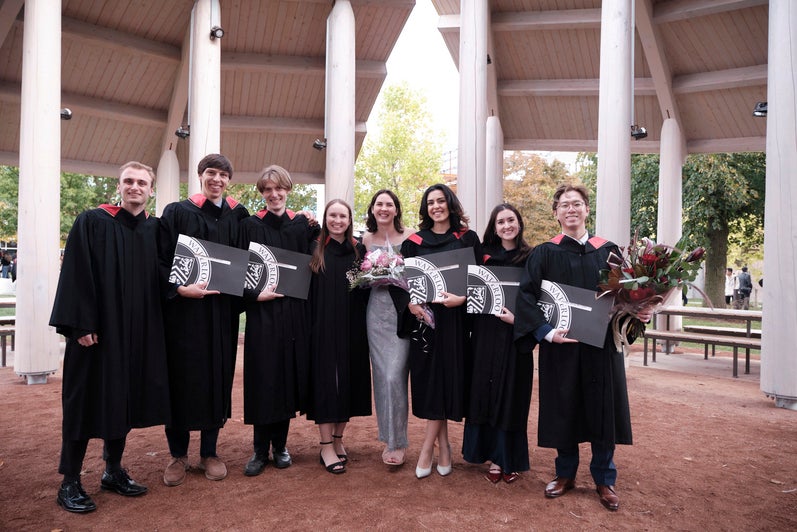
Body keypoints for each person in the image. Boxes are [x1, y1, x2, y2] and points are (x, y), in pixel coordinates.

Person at [514, 184, 652, 512]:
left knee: (603, 407)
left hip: (601, 346)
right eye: (564, 205)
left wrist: (640, 308)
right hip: (561, 346)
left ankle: (604, 478)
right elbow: (526, 297)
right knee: (564, 406)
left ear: (587, 209)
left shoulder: (609, 251)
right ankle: (565, 474)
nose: (571, 210)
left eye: (577, 204)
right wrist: (546, 333)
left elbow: (626, 296)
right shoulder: (544, 252)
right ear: (556, 213)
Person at [49, 161, 170, 513]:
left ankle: (112, 471)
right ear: (119, 186)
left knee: (124, 399)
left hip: (138, 334)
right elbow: (75, 272)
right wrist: (80, 325)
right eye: (128, 181)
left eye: (141, 182)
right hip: (97, 335)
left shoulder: (155, 230)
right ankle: (69, 480)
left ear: (151, 190)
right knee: (84, 402)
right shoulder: (93, 221)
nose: (135, 187)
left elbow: (167, 275)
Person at [159, 154, 249, 486]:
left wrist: (309, 223)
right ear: (200, 176)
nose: (217, 179)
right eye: (211, 173)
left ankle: (210, 452)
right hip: (183, 315)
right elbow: (161, 258)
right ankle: (178, 455)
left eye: (223, 175)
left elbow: (253, 254)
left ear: (229, 180)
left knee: (217, 376)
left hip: (220, 314)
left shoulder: (237, 216)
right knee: (180, 379)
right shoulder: (177, 212)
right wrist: (179, 289)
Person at [238, 165, 319, 476]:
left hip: (292, 314)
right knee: (262, 377)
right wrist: (253, 295)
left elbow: (318, 254)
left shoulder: (302, 226)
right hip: (262, 313)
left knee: (285, 375)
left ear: (288, 190)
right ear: (262, 193)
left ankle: (280, 445)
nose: (274, 194)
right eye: (267, 190)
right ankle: (259, 450)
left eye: (279, 189)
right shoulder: (249, 225)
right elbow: (238, 267)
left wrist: (314, 222)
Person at [400, 183, 481, 479]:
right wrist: (410, 304)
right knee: (432, 381)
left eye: (441, 201)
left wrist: (463, 299)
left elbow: (479, 281)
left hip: (456, 321)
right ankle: (442, 445)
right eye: (430, 202)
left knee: (448, 379)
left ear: (450, 203)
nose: (436, 206)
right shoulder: (414, 242)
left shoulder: (467, 239)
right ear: (426, 208)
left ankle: (428, 448)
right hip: (426, 322)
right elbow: (404, 285)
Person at [463, 204, 533, 485]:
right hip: (485, 332)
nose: (506, 226)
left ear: (519, 223)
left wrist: (519, 320)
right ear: (494, 226)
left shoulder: (532, 256)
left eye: (511, 220)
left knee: (511, 394)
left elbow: (538, 296)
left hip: (515, 333)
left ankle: (506, 458)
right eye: (501, 221)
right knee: (484, 391)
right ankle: (487, 454)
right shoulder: (482, 254)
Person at [307, 199, 371, 474]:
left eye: (342, 216)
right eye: (332, 215)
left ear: (349, 219)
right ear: (325, 218)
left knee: (348, 380)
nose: (337, 220)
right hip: (321, 324)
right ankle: (324, 445)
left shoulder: (359, 250)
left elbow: (364, 289)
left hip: (352, 325)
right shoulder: (315, 247)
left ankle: (338, 439)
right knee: (325, 382)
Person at [362, 189, 410, 466]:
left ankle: (399, 439)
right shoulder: (364, 240)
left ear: (396, 209)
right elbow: (356, 277)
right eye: (379, 203)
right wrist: (369, 276)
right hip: (375, 313)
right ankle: (391, 440)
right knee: (382, 376)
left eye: (389, 204)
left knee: (396, 375)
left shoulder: (410, 237)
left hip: (403, 312)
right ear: (372, 208)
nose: (383, 208)